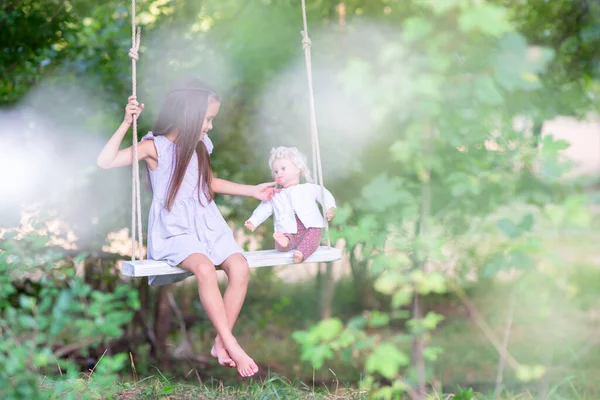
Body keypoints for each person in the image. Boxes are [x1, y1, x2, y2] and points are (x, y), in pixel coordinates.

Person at [97, 77, 273, 377]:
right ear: (190, 115)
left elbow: (208, 182)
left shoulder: (200, 144)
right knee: (204, 269)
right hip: (175, 230)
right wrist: (127, 122)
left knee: (240, 266)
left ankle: (220, 342)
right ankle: (231, 342)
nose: (210, 126)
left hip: (207, 223)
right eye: (207, 119)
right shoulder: (155, 147)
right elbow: (105, 161)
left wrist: (252, 190)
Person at [244, 146, 335, 264]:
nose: (278, 173)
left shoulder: (308, 188)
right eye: (276, 171)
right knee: (283, 239)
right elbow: (264, 208)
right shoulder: (275, 195)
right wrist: (253, 221)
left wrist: (329, 208)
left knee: (314, 235)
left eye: (283, 168)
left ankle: (301, 253)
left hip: (310, 227)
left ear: (297, 169)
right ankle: (284, 243)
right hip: (289, 231)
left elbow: (324, 195)